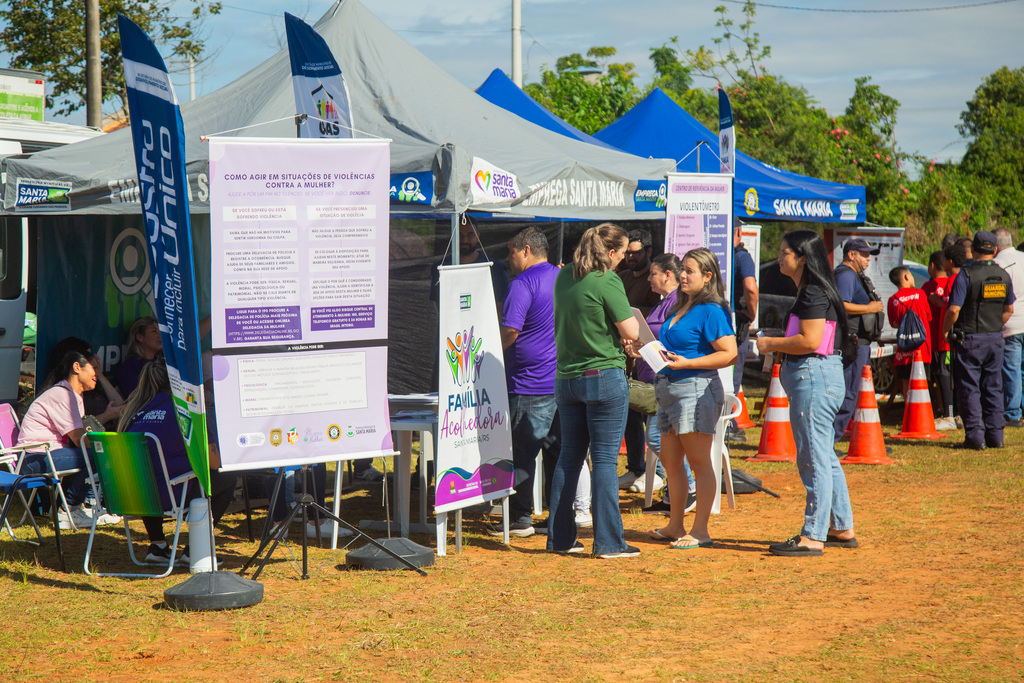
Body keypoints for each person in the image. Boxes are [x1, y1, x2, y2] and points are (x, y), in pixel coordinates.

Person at [756, 230, 856, 556]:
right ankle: (841, 526)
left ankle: (813, 535)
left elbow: (811, 341)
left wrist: (770, 343)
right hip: (818, 376)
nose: (779, 257)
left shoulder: (812, 291)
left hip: (813, 375)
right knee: (823, 455)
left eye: (784, 252)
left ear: (801, 257)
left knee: (813, 457)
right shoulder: (813, 290)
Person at [547, 223, 640, 558]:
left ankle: (560, 539)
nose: (625, 259)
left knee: (569, 457)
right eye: (624, 252)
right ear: (610, 252)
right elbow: (630, 327)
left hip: (566, 378)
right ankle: (610, 542)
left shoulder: (564, 276)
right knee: (603, 459)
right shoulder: (606, 279)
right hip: (602, 375)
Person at [642, 248, 736, 550]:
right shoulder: (681, 305)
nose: (682, 274)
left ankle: (701, 531)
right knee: (671, 461)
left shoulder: (713, 309)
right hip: (670, 390)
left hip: (695, 391)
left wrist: (688, 363)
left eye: (690, 270)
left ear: (708, 277)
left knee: (699, 462)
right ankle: (675, 525)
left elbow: (729, 353)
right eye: (682, 268)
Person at [118, 359, 238, 562]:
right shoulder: (185, 412)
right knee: (228, 478)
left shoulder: (134, 414)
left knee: (149, 473)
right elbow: (215, 464)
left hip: (135, 495)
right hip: (173, 494)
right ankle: (195, 550)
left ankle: (157, 546)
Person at [491, 227, 562, 538]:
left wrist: (485, 350)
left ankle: (520, 518)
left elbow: (510, 331)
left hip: (527, 383)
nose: (509, 259)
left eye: (511, 252)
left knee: (522, 453)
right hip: (559, 380)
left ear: (526, 251)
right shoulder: (562, 278)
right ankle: (558, 514)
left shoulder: (522, 283)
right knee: (557, 453)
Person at [16, 351, 120, 529]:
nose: (97, 373)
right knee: (96, 455)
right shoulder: (62, 394)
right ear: (77, 367)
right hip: (34, 459)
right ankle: (68, 510)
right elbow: (80, 440)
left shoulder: (73, 395)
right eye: (93, 368)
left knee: (95, 454)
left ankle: (80, 506)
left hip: (47, 455)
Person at [943, 231, 1015, 450]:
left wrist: (946, 331)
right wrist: (992, 326)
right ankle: (996, 437)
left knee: (970, 389)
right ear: (994, 250)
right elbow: (1009, 309)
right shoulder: (1003, 275)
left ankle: (975, 438)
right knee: (994, 387)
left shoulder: (965, 275)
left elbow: (954, 310)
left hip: (970, 339)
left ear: (972, 251)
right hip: (995, 338)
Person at [636, 254, 694, 516]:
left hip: (671, 380)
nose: (649, 279)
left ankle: (688, 488)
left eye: (653, 274)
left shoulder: (678, 302)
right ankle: (674, 494)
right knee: (660, 438)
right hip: (656, 379)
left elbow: (675, 338)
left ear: (667, 275)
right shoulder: (663, 303)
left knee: (658, 438)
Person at [615, 228, 663, 494]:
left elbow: (656, 315)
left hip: (651, 362)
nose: (630, 257)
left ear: (648, 252)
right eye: (627, 253)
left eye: (635, 253)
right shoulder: (620, 277)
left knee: (653, 423)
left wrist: (626, 314)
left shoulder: (653, 283)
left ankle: (657, 471)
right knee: (630, 415)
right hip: (627, 360)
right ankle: (636, 467)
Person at [833, 238, 884, 443]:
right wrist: (870, 308)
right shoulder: (846, 276)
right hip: (853, 343)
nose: (868, 259)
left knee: (857, 393)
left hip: (859, 342)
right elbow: (842, 305)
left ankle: (863, 441)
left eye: (869, 254)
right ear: (851, 255)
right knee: (849, 393)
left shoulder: (853, 275)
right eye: (864, 254)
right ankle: (831, 441)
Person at [43, 336, 124, 427]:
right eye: (87, 357)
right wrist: (106, 416)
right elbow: (77, 431)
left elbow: (119, 405)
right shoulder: (62, 394)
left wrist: (98, 373)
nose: (91, 359)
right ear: (76, 365)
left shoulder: (88, 388)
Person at [727, 219, 758, 443]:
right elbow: (750, 287)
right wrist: (751, 312)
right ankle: (728, 423)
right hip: (736, 321)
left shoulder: (713, 254)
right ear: (739, 231)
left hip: (714, 318)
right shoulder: (742, 256)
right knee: (732, 374)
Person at [993, 227, 1024, 427]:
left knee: (1012, 369)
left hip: (1011, 323)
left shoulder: (998, 264)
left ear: (995, 246)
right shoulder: (1022, 257)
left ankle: (1012, 413)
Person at [887, 265, 932, 400]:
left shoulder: (893, 300)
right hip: (922, 348)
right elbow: (928, 317)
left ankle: (908, 412)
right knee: (923, 381)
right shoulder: (921, 294)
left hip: (905, 349)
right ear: (907, 277)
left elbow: (894, 324)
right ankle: (924, 412)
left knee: (906, 380)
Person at [922, 251, 955, 429]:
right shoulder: (954, 282)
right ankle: (949, 411)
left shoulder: (928, 287)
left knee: (940, 374)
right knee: (948, 374)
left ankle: (944, 411)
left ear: (932, 266)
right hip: (949, 341)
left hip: (936, 341)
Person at [118, 316, 162, 396]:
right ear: (139, 337)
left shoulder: (163, 363)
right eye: (154, 331)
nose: (159, 335)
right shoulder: (130, 366)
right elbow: (136, 397)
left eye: (160, 331)